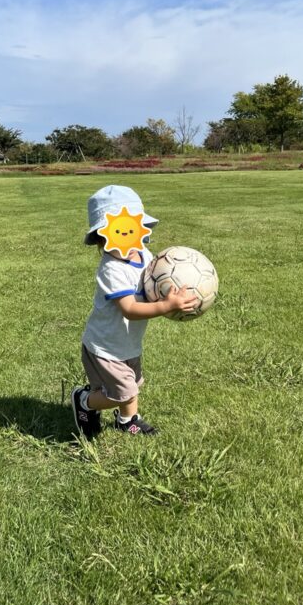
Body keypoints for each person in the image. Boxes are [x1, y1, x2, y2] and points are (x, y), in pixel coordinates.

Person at [72, 185, 198, 438]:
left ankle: (127, 420)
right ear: (102, 237)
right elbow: (129, 309)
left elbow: (152, 283)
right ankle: (84, 401)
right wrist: (167, 306)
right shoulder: (112, 270)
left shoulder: (143, 254)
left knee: (134, 385)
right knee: (123, 392)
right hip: (105, 346)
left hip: (128, 343)